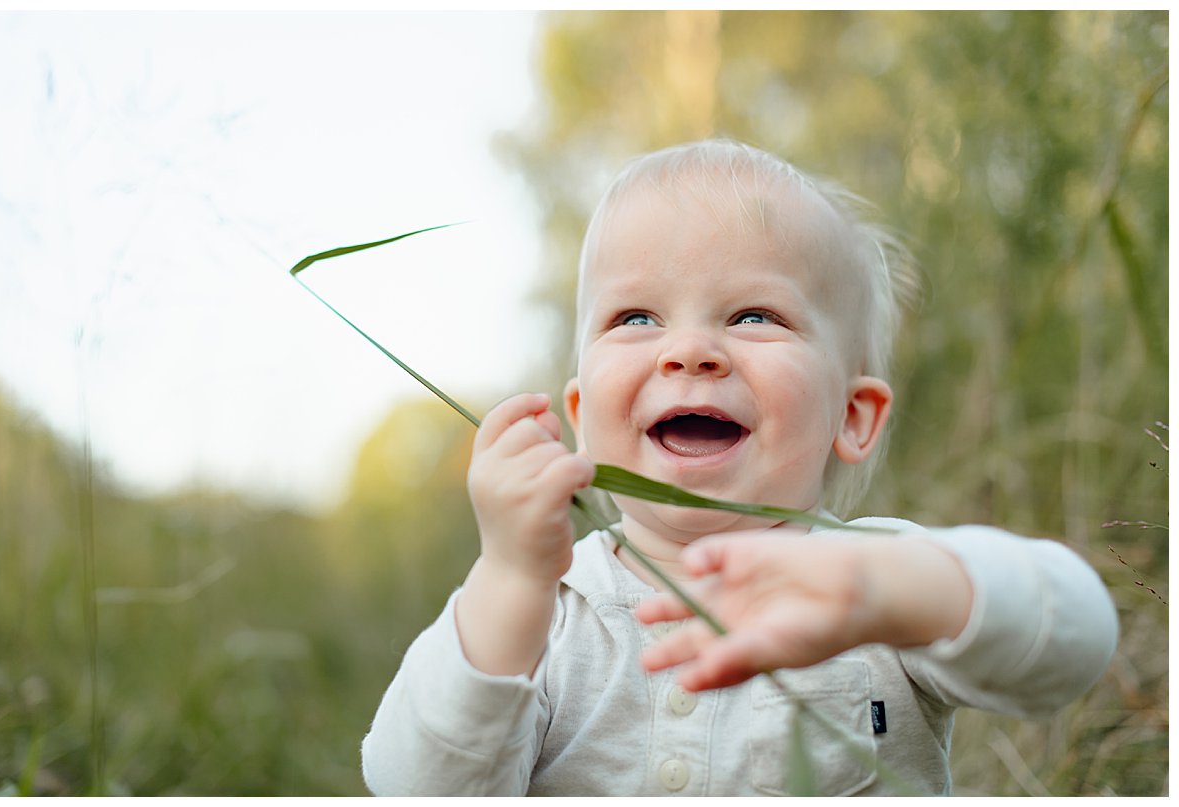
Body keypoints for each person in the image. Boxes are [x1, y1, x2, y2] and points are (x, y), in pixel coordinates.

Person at [360, 139, 1118, 796]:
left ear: (851, 415)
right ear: (581, 416)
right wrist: (509, 576)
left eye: (755, 316)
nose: (690, 350)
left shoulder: (871, 577)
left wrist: (895, 593)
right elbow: (414, 786)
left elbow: (1076, 643)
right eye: (636, 317)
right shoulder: (549, 610)